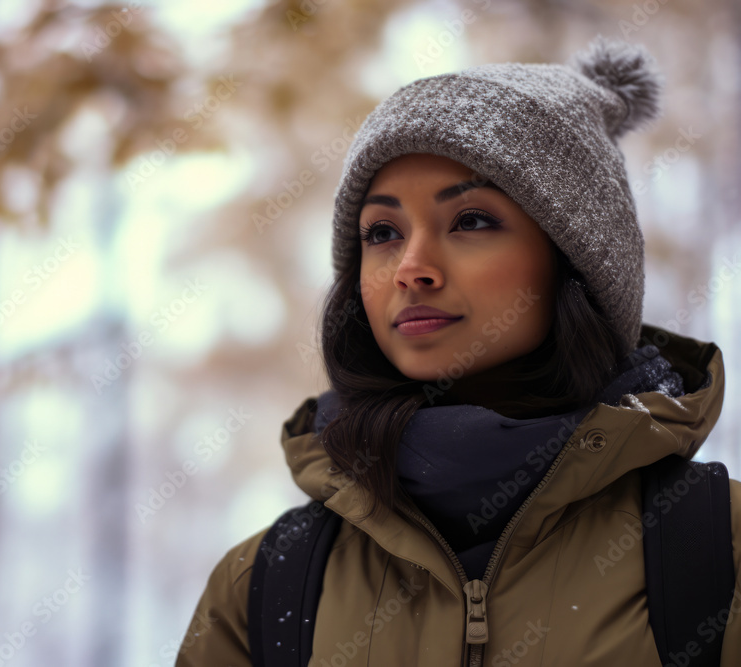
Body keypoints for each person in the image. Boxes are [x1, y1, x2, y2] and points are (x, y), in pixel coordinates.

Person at [174, 36, 741, 666]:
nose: (410, 268)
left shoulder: (718, 553)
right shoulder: (263, 587)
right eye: (383, 232)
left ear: (575, 262)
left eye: (471, 220)